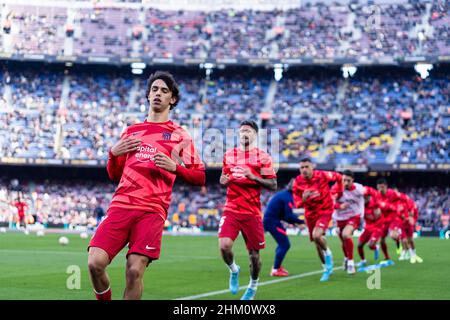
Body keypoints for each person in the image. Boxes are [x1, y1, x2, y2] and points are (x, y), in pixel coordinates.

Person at [87, 71, 206, 300]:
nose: (158, 94)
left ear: (172, 99)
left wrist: (175, 168)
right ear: (148, 95)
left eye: (164, 91)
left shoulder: (180, 135)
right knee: (94, 263)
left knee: (133, 271)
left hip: (152, 211)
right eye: (154, 89)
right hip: (121, 206)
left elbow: (200, 176)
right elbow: (114, 175)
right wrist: (113, 154)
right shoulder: (132, 131)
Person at [219, 120, 277, 300]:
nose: (244, 133)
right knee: (224, 246)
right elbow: (225, 176)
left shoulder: (263, 157)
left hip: (251, 212)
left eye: (248, 131)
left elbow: (273, 184)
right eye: (242, 130)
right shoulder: (229, 155)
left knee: (254, 256)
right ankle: (234, 270)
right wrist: (224, 180)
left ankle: (253, 285)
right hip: (232, 208)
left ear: (255, 135)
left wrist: (254, 177)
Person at [292, 157, 343, 282]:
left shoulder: (323, 175)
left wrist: (338, 193)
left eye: (306, 167)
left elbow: (339, 178)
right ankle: (326, 268)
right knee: (317, 244)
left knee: (316, 236)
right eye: (302, 167)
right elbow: (297, 204)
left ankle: (328, 254)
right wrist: (303, 199)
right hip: (310, 214)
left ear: (312, 167)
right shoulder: (297, 182)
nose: (304, 170)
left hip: (325, 211)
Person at [263, 179, 304, 277]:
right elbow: (289, 216)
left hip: (272, 221)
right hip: (272, 222)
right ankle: (275, 269)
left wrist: (296, 223)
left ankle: (277, 266)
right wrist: (302, 221)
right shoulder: (287, 197)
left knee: (282, 244)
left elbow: (285, 216)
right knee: (285, 245)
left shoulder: (284, 194)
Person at [331, 170, 364, 275]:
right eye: (343, 180)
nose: (345, 183)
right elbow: (329, 202)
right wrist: (339, 206)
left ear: (352, 181)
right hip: (339, 218)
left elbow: (369, 195)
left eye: (348, 181)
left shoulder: (359, 189)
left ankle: (351, 263)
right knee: (344, 241)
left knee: (346, 234)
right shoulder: (336, 188)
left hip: (353, 216)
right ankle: (346, 258)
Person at [357, 186, 383, 271]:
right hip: (367, 227)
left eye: (366, 196)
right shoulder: (360, 205)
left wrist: (376, 211)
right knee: (359, 245)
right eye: (363, 197)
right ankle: (363, 260)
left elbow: (377, 215)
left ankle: (376, 248)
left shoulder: (374, 204)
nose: (364, 198)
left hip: (377, 227)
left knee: (370, 245)